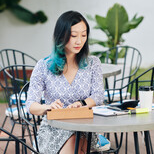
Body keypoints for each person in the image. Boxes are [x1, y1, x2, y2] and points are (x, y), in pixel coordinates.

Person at [26, 10, 109, 154]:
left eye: (83, 35)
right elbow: (31, 105)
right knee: (75, 143)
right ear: (61, 36)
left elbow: (98, 95)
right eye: (73, 35)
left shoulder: (93, 63)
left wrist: (82, 103)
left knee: (78, 138)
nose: (79, 41)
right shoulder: (43, 66)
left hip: (83, 125)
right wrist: (48, 107)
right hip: (54, 128)